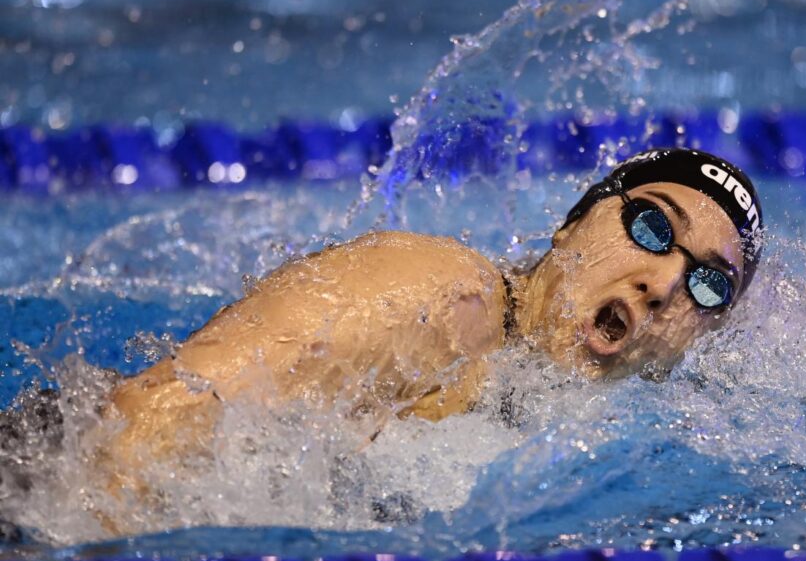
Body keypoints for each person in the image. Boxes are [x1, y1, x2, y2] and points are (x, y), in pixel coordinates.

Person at [96, 147, 763, 498]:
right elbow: (150, 416)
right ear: (572, 223)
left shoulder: (596, 422)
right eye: (650, 227)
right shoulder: (443, 297)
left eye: (708, 287)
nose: (664, 284)